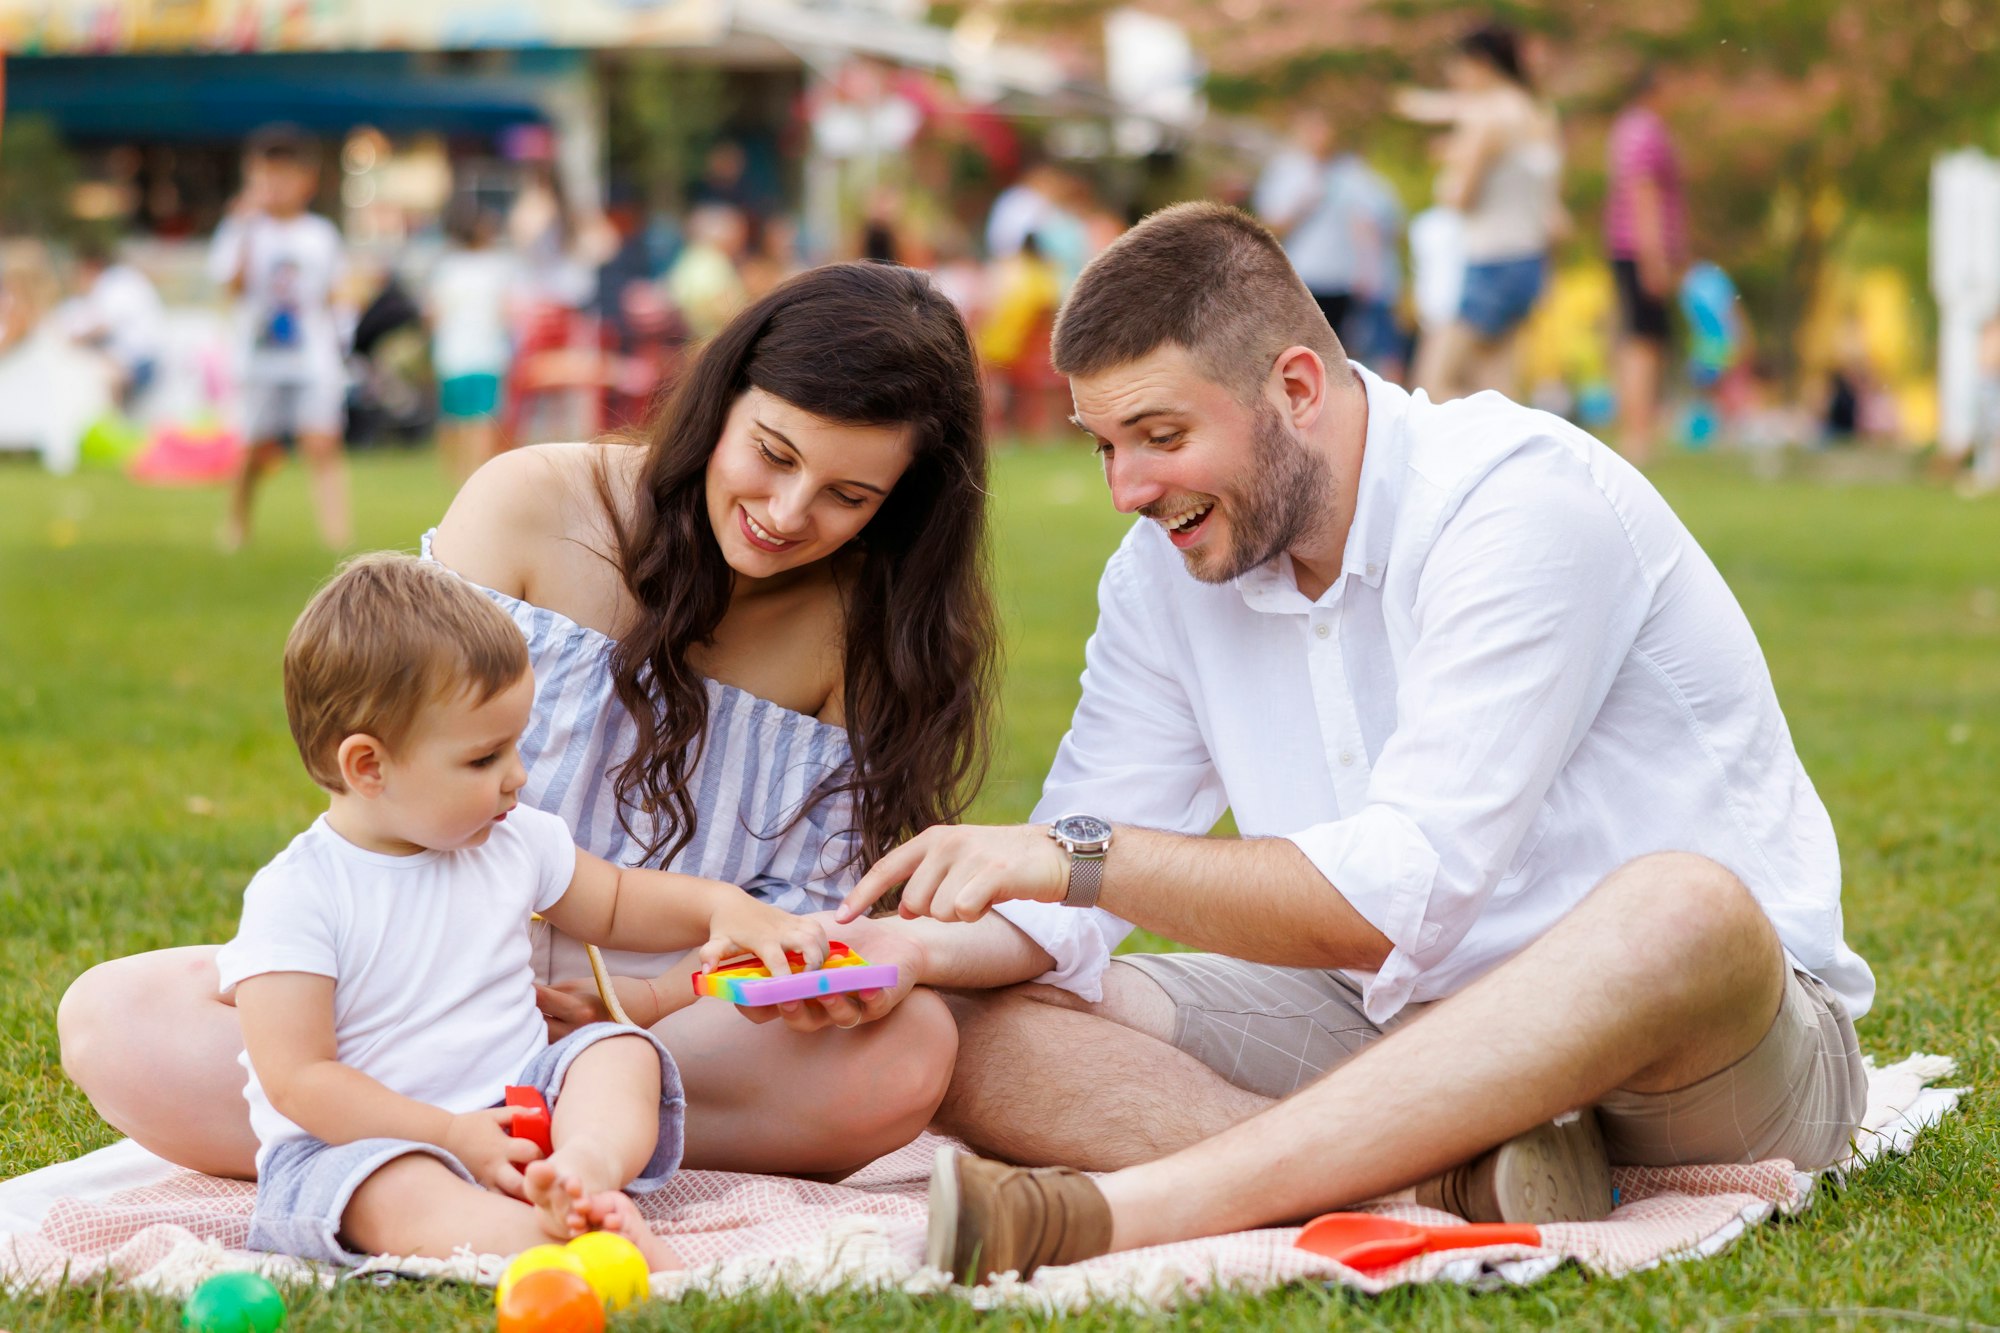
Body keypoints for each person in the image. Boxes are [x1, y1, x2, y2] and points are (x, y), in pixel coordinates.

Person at [828, 202, 1872, 1282]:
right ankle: (1426, 1189)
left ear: (1293, 388)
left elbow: (1393, 897)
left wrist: (1073, 854)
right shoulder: (1162, 571)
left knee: (1685, 906)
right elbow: (1065, 888)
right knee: (961, 1024)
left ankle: (1125, 1211)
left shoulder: (1514, 502)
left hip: (1691, 1059)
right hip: (1388, 1018)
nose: (1126, 491)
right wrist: (907, 949)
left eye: (1160, 436)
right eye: (1104, 446)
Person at [57, 261, 996, 1186]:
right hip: (418, 982)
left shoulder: (871, 635)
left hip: (669, 1027)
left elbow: (792, 915)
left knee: (905, 1051)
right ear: (721, 403)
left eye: (850, 496)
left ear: (899, 503)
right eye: (774, 454)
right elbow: (390, 773)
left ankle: (490, 1138)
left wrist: (640, 1003)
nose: (787, 514)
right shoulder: (533, 504)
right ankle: (522, 1136)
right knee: (115, 1017)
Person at [226, 553, 828, 1268]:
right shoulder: (298, 894)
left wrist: (722, 907)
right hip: (364, 1143)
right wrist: (450, 1134)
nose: (518, 774)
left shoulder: (512, 840)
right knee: (396, 1196)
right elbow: (301, 1080)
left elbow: (615, 900)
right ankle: (559, 1241)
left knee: (618, 1051)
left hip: (519, 1098)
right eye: (484, 758)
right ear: (368, 766)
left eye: (517, 743)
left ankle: (581, 1172)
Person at [1400, 25, 1564, 402]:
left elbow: (1459, 198)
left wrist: (1453, 162)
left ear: (1480, 63)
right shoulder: (1536, 112)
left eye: (1458, 67)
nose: (1456, 79)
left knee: (1432, 385)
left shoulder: (1488, 118)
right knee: (1498, 386)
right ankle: (1523, 455)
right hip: (1528, 259)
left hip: (1491, 261)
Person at [208, 125, 352, 551]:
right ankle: (236, 525)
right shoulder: (241, 230)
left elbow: (334, 294)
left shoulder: (320, 235)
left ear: (306, 181)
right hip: (260, 358)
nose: (275, 185)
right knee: (253, 449)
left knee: (321, 443)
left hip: (311, 355)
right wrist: (245, 228)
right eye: (266, 175)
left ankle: (336, 534)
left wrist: (342, 342)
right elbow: (231, 285)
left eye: (284, 175)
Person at [1605, 66, 1688, 465]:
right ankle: (1638, 436)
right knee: (1645, 343)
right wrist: (1655, 258)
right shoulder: (1647, 131)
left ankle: (1635, 432)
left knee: (1635, 340)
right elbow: (1644, 194)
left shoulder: (1627, 127)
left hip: (1626, 247)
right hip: (1639, 249)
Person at [427, 205, 520, 481]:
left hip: (453, 356)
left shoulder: (447, 269)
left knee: (455, 419)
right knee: (481, 419)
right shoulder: (496, 268)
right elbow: (506, 314)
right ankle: (476, 474)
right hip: (485, 355)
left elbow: (434, 314)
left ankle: (458, 475)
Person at [59, 235, 167, 415]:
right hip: (139, 358)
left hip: (143, 362)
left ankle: (112, 427)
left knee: (101, 374)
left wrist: (71, 339)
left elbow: (102, 327)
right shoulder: (118, 281)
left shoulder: (116, 283)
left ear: (90, 266)